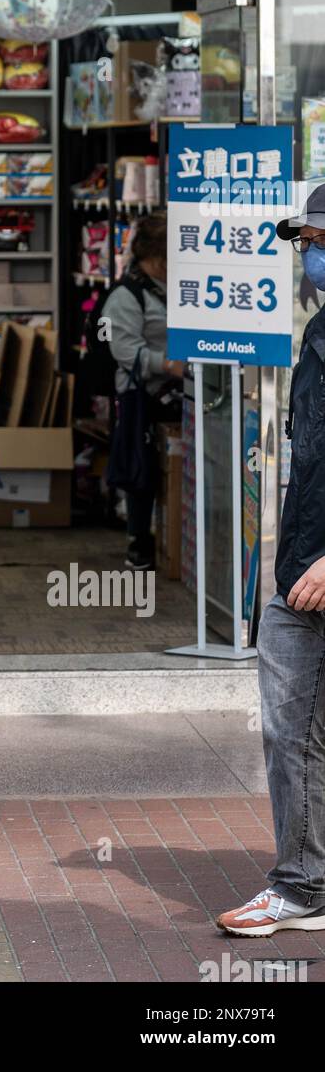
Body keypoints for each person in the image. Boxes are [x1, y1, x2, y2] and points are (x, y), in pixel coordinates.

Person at [216, 184, 325, 937]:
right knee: (288, 731)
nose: (309, 256)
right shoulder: (317, 337)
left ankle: (303, 884)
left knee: (295, 729)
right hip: (298, 566)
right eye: (304, 243)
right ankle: (303, 882)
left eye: (318, 241)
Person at [101, 211, 184, 570]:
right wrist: (166, 364)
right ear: (152, 255)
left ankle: (176, 535)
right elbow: (122, 350)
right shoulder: (126, 295)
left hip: (182, 392)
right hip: (143, 395)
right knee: (142, 464)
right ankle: (139, 540)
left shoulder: (176, 284)